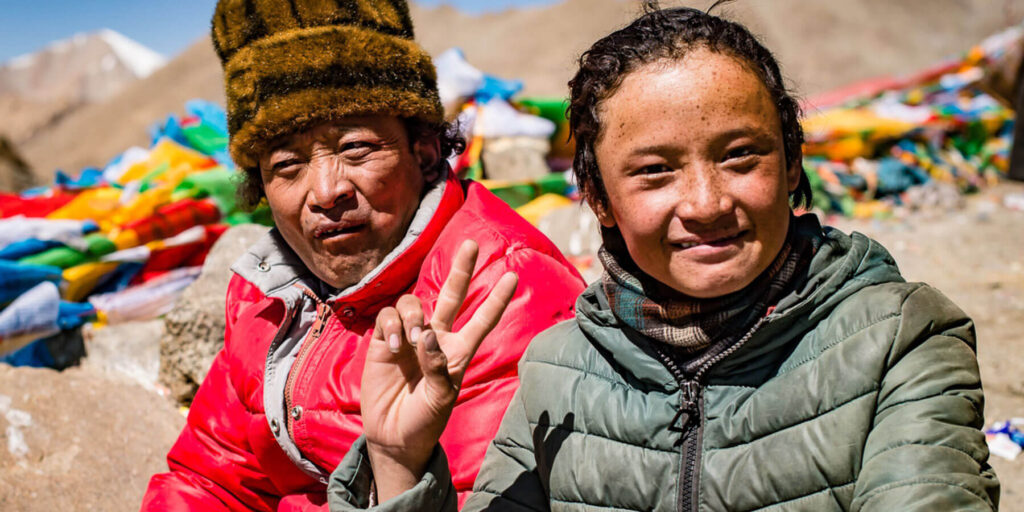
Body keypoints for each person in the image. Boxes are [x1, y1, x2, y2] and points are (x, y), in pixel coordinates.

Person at [326, 5, 1000, 511]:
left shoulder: (901, 340)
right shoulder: (558, 369)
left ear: (792, 164)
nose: (706, 203)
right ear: (598, 198)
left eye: (741, 156)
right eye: (654, 172)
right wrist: (398, 460)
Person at [141, 0, 585, 510]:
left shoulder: (504, 290)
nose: (326, 191)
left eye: (354, 148)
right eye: (287, 164)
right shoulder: (268, 290)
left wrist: (396, 466)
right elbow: (209, 479)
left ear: (422, 150)